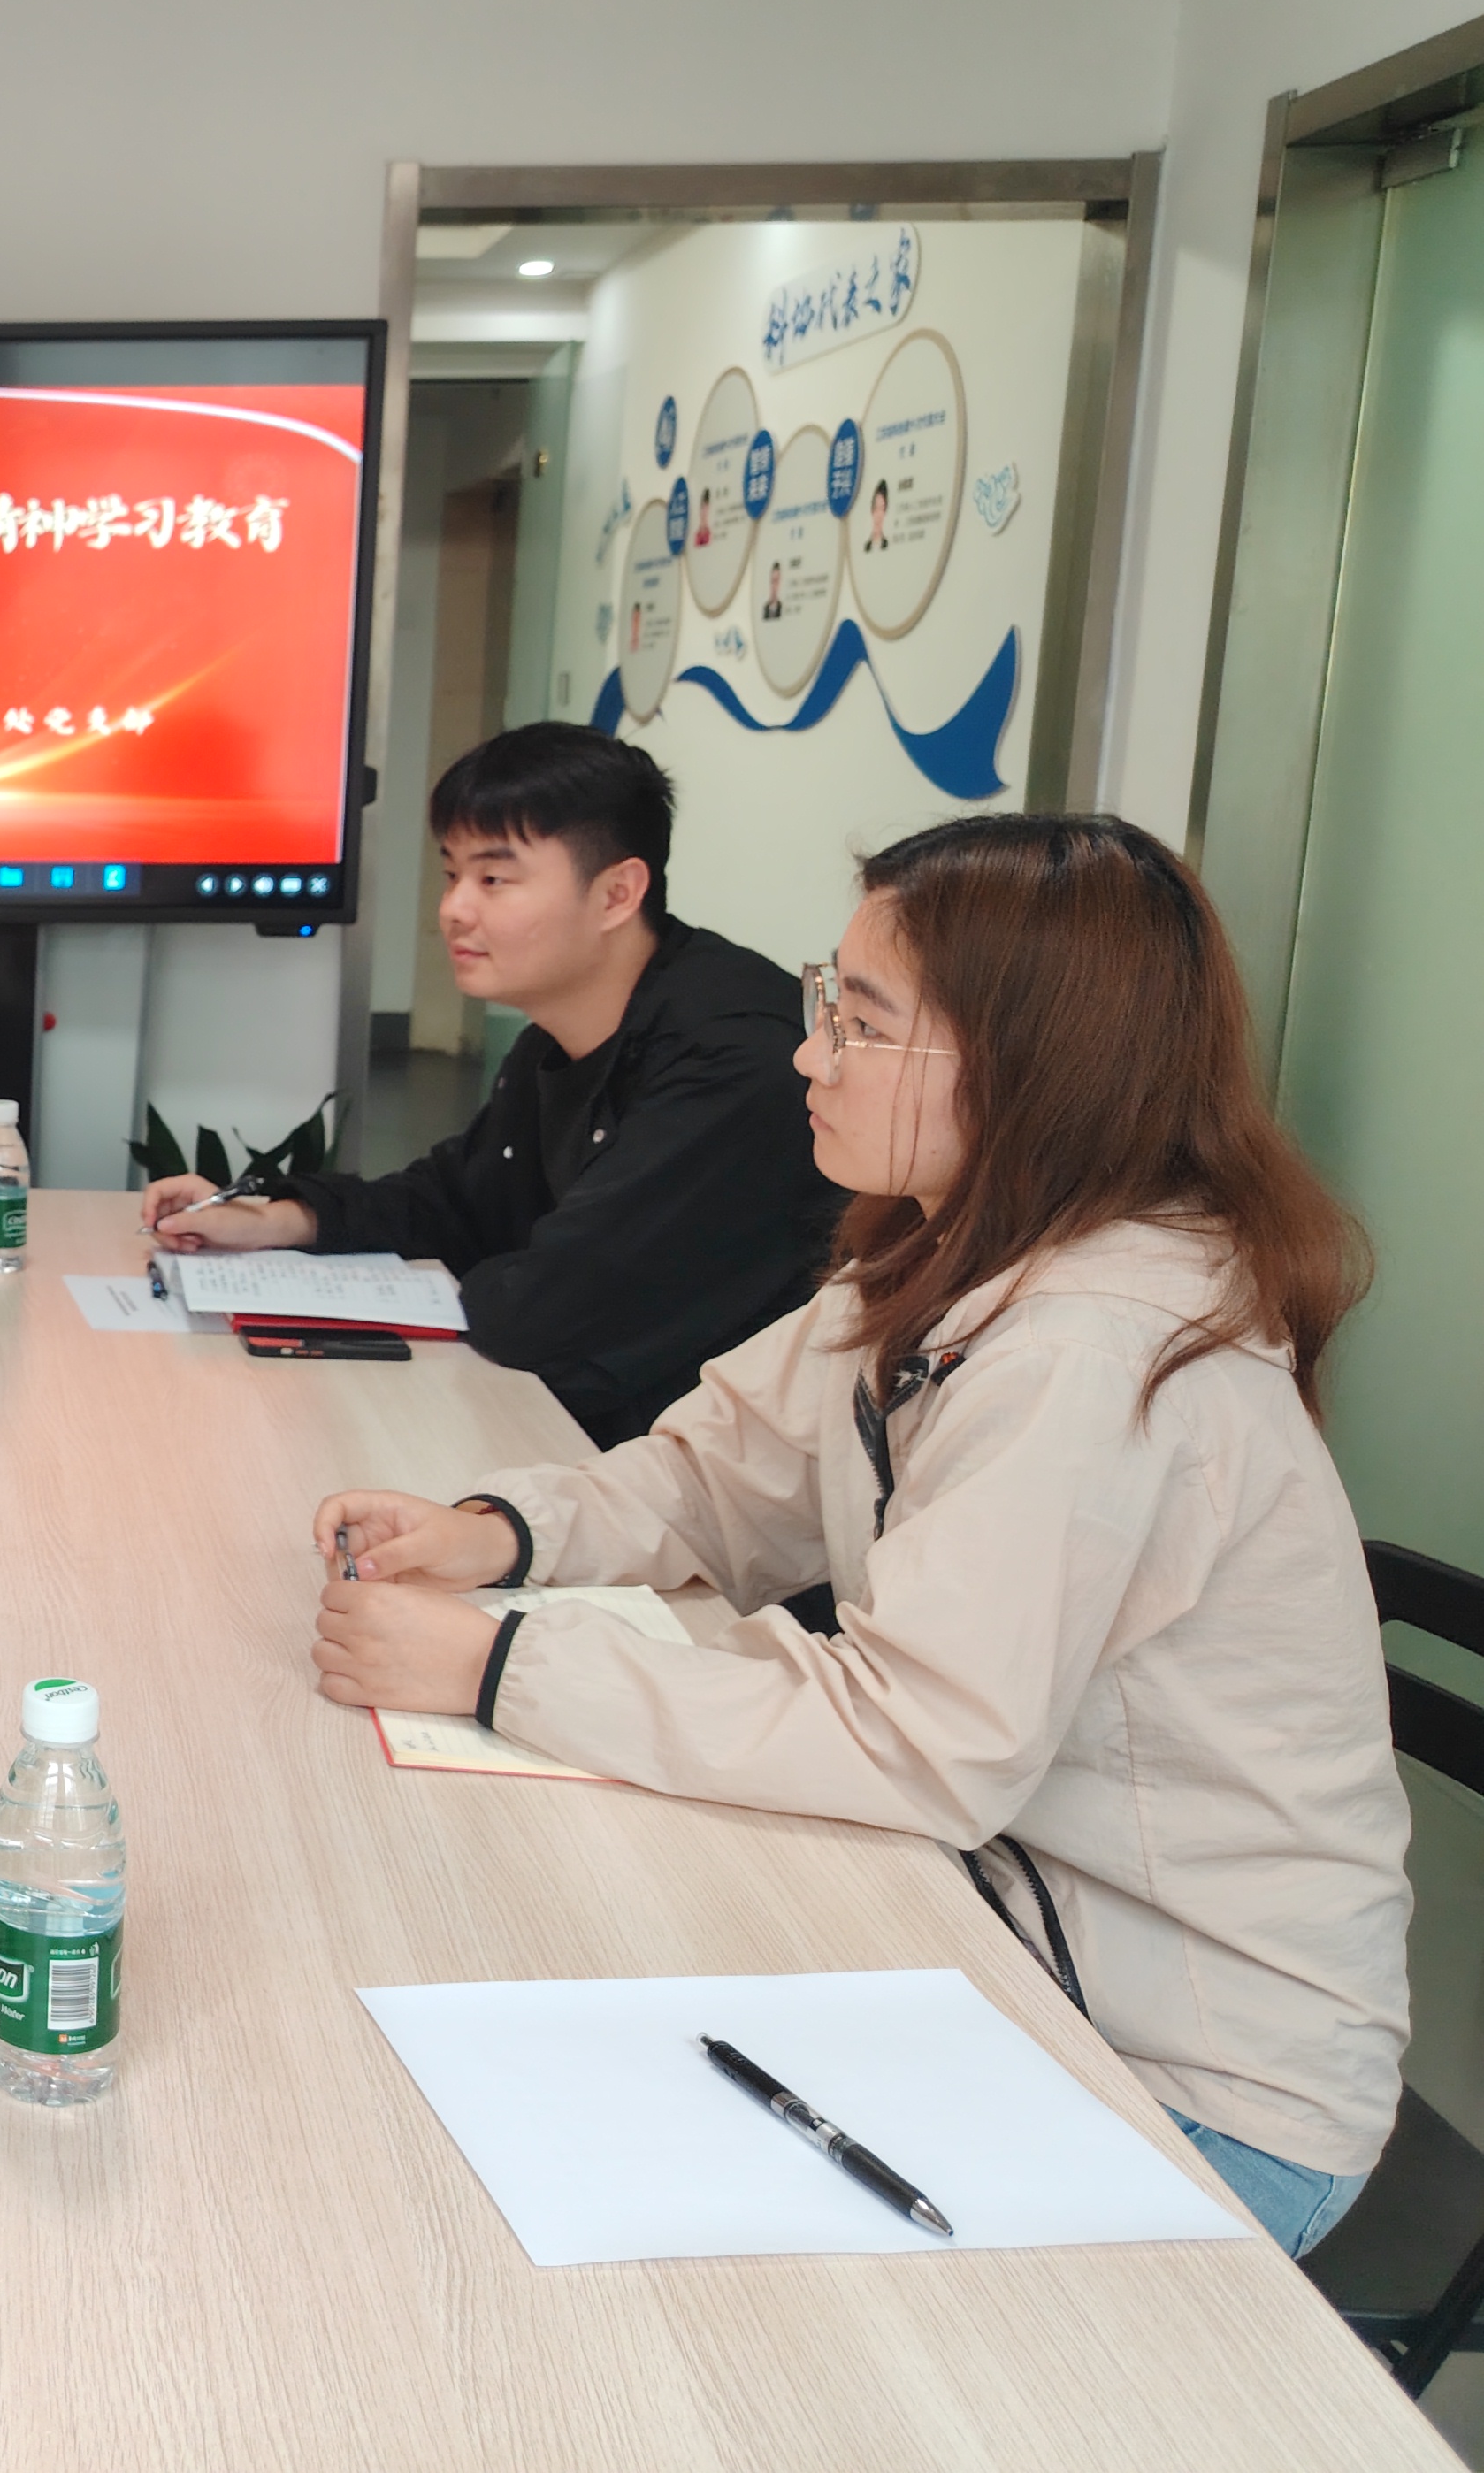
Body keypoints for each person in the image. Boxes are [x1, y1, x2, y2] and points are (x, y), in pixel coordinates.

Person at [307, 814, 1410, 2255]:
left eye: (864, 1025)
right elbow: (717, 1478)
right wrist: (493, 1533)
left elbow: (919, 1740)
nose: (809, 1059)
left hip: (1187, 2079)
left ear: (1026, 1065)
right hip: (1005, 1943)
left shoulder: (1090, 1343)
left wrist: (498, 1668)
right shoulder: (948, 1249)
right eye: (828, 1004)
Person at [146, 722, 843, 1444]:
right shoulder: (560, 1030)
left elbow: (546, 1317)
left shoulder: (733, 1059)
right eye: (453, 874)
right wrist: (278, 1220)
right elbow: (458, 1201)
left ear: (616, 894)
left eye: (494, 879)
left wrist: (489, 1277)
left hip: (709, 1476)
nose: (454, 908)